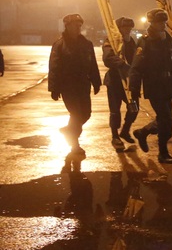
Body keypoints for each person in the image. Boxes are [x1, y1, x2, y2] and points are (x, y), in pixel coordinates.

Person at [129, 8, 172, 164]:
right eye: (160, 22)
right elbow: (136, 67)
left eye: (164, 22)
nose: (163, 25)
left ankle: (143, 132)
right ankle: (163, 153)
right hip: (154, 86)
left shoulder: (167, 38)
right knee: (166, 119)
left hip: (168, 85)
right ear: (152, 23)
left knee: (164, 119)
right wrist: (133, 89)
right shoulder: (145, 41)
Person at [48, 13, 101, 160]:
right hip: (67, 86)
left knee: (86, 114)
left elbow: (92, 64)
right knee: (76, 114)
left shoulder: (87, 44)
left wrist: (96, 81)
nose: (78, 28)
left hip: (83, 85)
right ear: (67, 26)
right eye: (74, 26)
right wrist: (54, 87)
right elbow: (54, 66)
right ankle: (74, 144)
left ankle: (69, 130)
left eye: (79, 26)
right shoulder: (59, 44)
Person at [102, 16, 138, 151]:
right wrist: (122, 65)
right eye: (125, 27)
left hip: (129, 80)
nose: (128, 29)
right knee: (115, 111)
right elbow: (107, 58)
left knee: (134, 108)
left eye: (129, 27)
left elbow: (136, 56)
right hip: (115, 80)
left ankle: (125, 130)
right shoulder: (110, 41)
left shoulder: (131, 41)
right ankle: (115, 136)